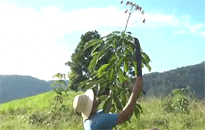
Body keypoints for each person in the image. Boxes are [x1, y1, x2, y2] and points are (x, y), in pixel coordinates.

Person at [73, 77, 143, 130]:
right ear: (90, 105)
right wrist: (135, 91)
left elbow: (106, 109)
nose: (95, 97)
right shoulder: (98, 121)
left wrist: (111, 96)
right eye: (92, 99)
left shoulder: (88, 121)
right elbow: (124, 116)